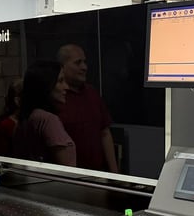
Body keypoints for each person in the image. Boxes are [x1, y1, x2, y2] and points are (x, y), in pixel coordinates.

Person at [56, 43, 118, 172]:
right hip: (69, 176)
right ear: (62, 66)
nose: (84, 67)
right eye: (78, 63)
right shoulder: (56, 97)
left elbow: (105, 133)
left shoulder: (91, 93)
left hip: (97, 174)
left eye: (84, 62)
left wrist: (115, 173)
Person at [12, 60, 77, 167]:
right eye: (60, 81)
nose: (66, 87)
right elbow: (66, 169)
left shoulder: (26, 118)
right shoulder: (47, 120)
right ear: (45, 85)